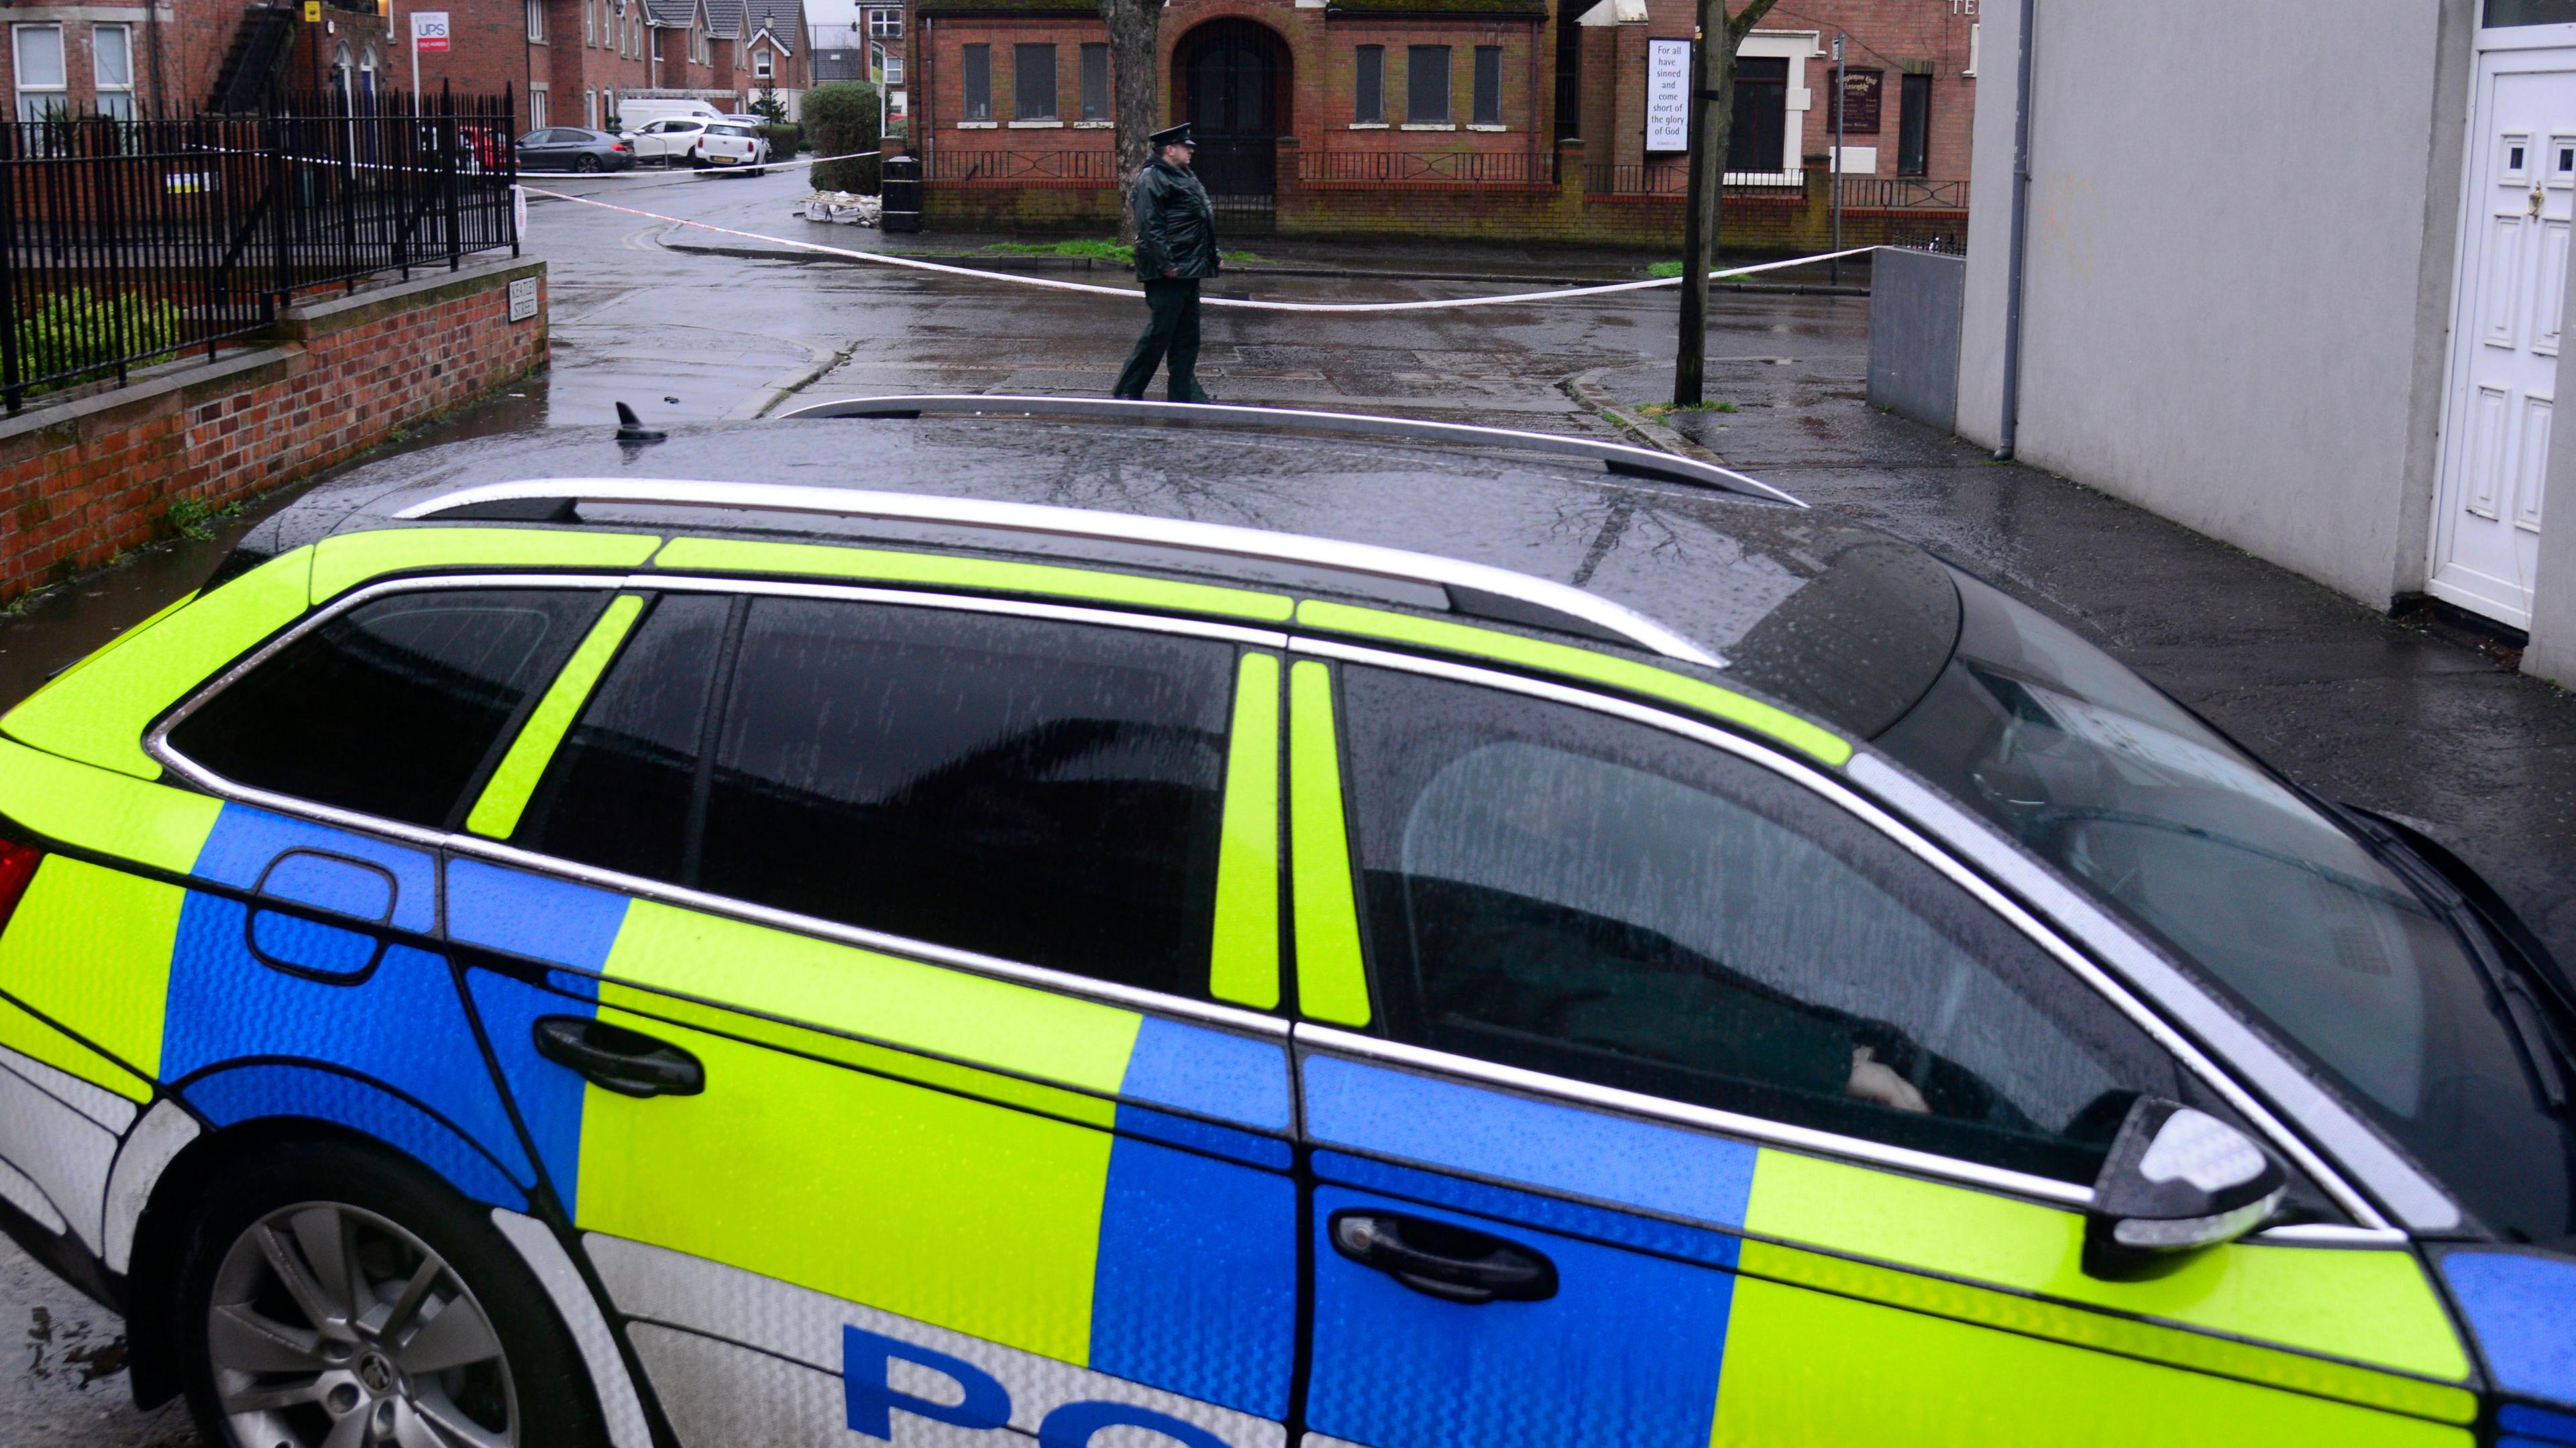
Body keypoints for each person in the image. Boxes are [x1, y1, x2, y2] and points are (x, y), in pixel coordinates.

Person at [1112, 122, 1218, 403]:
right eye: (1186, 147)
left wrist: (1211, 254)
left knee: (1187, 336)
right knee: (1160, 333)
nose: (1191, 151)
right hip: (1168, 271)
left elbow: (1199, 218)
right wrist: (1166, 263)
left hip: (1190, 267)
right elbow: (1150, 226)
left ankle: (1184, 394)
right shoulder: (1153, 178)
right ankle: (1128, 388)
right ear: (1170, 150)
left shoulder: (1184, 175)